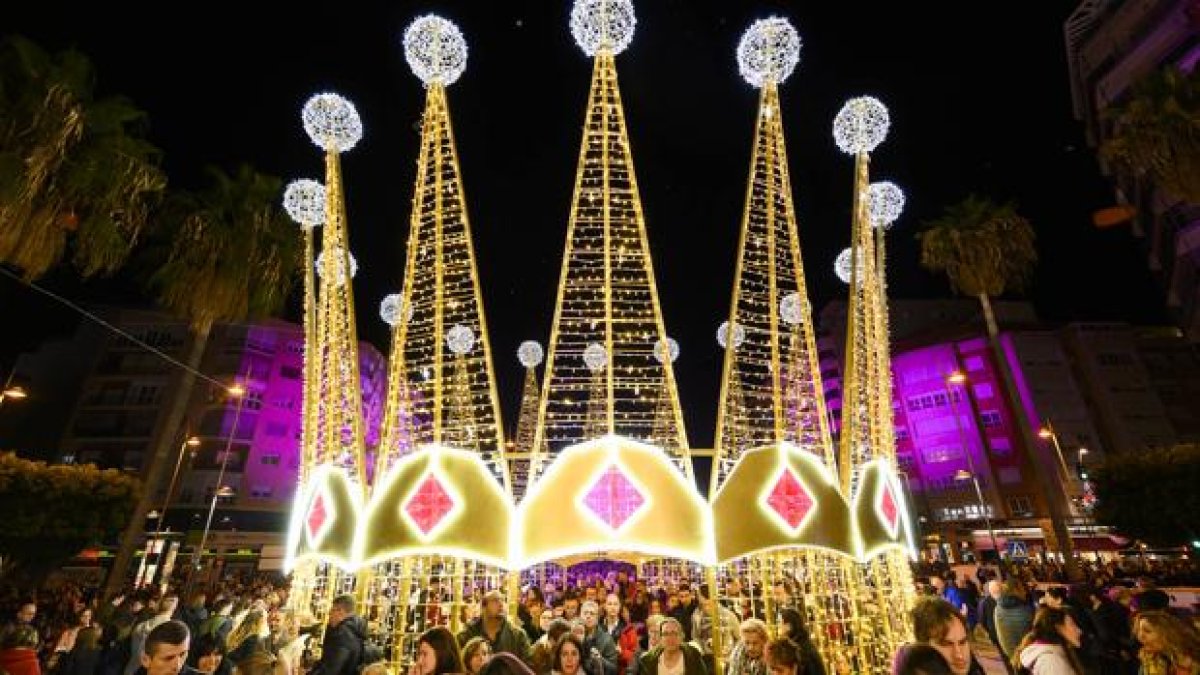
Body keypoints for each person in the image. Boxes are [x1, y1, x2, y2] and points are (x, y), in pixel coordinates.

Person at [909, 597, 984, 675]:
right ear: (924, 648)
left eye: (962, 642)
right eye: (946, 644)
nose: (959, 655)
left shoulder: (975, 670)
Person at [458, 591, 532, 665]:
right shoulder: (467, 634)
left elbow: (528, 665)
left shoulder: (518, 636)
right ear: (483, 607)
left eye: (503, 600)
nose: (501, 604)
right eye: (495, 600)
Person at [1011, 607, 1084, 675]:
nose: (1079, 631)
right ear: (1059, 628)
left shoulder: (1051, 656)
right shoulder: (1051, 662)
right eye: (1072, 624)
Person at [308, 595, 366, 675]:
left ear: (340, 611)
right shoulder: (355, 630)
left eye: (332, 610)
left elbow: (330, 669)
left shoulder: (342, 635)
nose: (329, 614)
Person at [1133, 610, 1200, 675]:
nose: (1140, 636)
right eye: (1138, 631)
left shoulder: (1193, 658)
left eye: (1148, 631)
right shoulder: (1149, 661)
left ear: (1167, 634)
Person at [635, 617, 706, 675]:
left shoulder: (693, 656)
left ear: (682, 636)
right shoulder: (648, 661)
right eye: (665, 634)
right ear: (660, 638)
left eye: (674, 633)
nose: (670, 638)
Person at [993, 578, 1033, 668]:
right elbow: (1032, 631)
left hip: (1010, 652)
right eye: (1022, 589)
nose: (1025, 592)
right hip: (1025, 653)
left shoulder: (997, 608)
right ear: (1016, 590)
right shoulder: (1023, 609)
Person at [225, 610, 275, 675]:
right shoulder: (254, 639)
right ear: (259, 623)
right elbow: (249, 661)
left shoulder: (236, 632)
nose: (266, 625)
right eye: (264, 622)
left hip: (227, 667)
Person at [778, 609, 825, 675]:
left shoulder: (800, 647)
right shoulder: (800, 643)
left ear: (789, 625)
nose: (779, 626)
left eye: (780, 622)